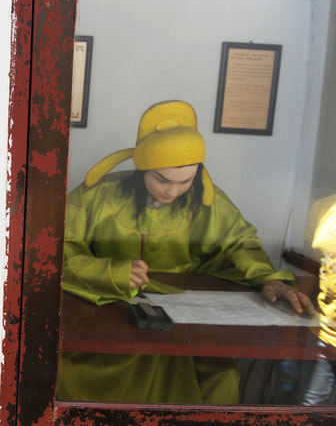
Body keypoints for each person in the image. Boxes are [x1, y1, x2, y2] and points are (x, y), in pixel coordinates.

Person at [58, 100, 315, 404]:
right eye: (161, 179)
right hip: (107, 310)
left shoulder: (207, 201)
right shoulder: (98, 195)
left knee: (221, 378)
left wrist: (267, 279)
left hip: (184, 321)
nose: (172, 192)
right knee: (70, 370)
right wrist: (109, 271)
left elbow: (239, 244)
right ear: (142, 169)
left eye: (185, 182)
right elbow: (58, 247)